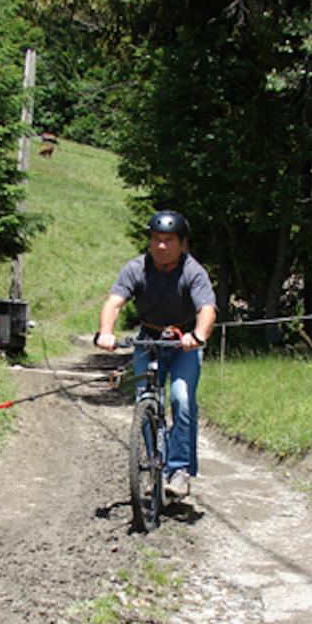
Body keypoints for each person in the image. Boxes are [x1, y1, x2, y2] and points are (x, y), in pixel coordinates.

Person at [96, 210, 217, 498]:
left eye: (169, 240)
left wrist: (198, 336)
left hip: (183, 343)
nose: (161, 246)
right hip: (149, 340)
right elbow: (114, 302)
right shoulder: (136, 268)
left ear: (182, 243)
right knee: (145, 400)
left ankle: (179, 470)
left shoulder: (193, 271)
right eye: (156, 239)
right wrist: (105, 332)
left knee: (181, 399)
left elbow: (207, 310)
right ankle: (154, 465)